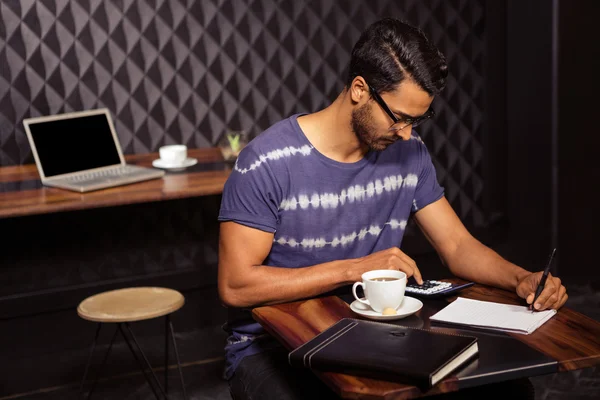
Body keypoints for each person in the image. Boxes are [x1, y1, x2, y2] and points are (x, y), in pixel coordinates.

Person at [217, 18, 568, 400]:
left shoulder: (409, 152)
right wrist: (353, 269)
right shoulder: (267, 161)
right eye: (399, 117)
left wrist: (519, 279)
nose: (406, 133)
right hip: (274, 348)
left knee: (509, 390)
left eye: (417, 120)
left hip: (373, 334)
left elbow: (456, 245)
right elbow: (235, 285)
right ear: (359, 89)